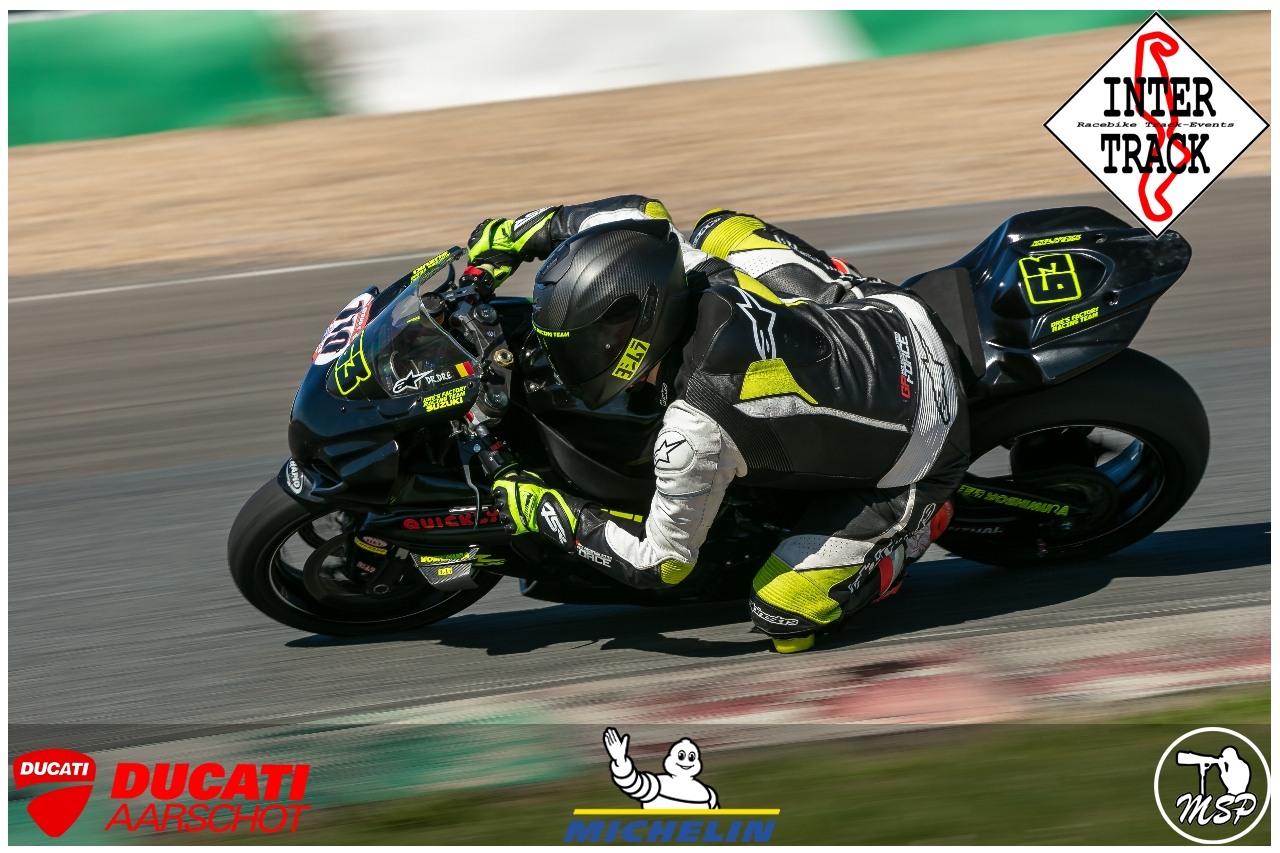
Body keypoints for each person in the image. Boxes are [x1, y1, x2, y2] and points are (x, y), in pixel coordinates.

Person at [472, 196, 968, 653]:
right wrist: (519, 235)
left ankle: (913, 533)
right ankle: (840, 288)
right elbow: (640, 214)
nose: (577, 356)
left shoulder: (692, 429)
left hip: (927, 440)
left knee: (785, 614)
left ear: (640, 331)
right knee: (718, 229)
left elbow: (661, 564)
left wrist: (548, 511)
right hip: (894, 315)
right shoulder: (690, 271)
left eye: (594, 340)